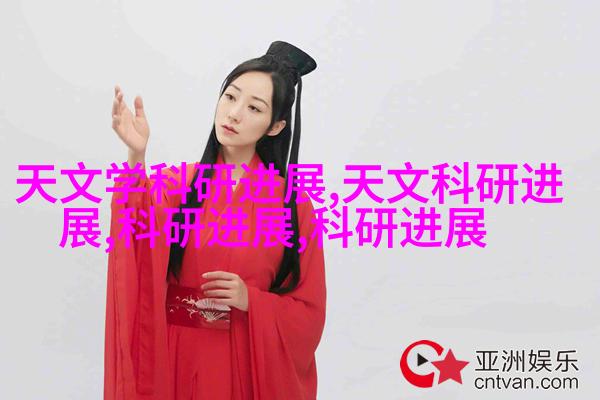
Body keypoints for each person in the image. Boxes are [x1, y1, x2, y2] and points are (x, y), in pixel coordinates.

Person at [104, 41, 327, 400]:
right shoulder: (180, 184)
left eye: (254, 107)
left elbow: (309, 313)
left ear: (275, 126)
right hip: (181, 356)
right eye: (231, 97)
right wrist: (136, 155)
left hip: (245, 360)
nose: (234, 113)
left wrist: (252, 301)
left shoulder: (293, 205)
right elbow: (136, 230)